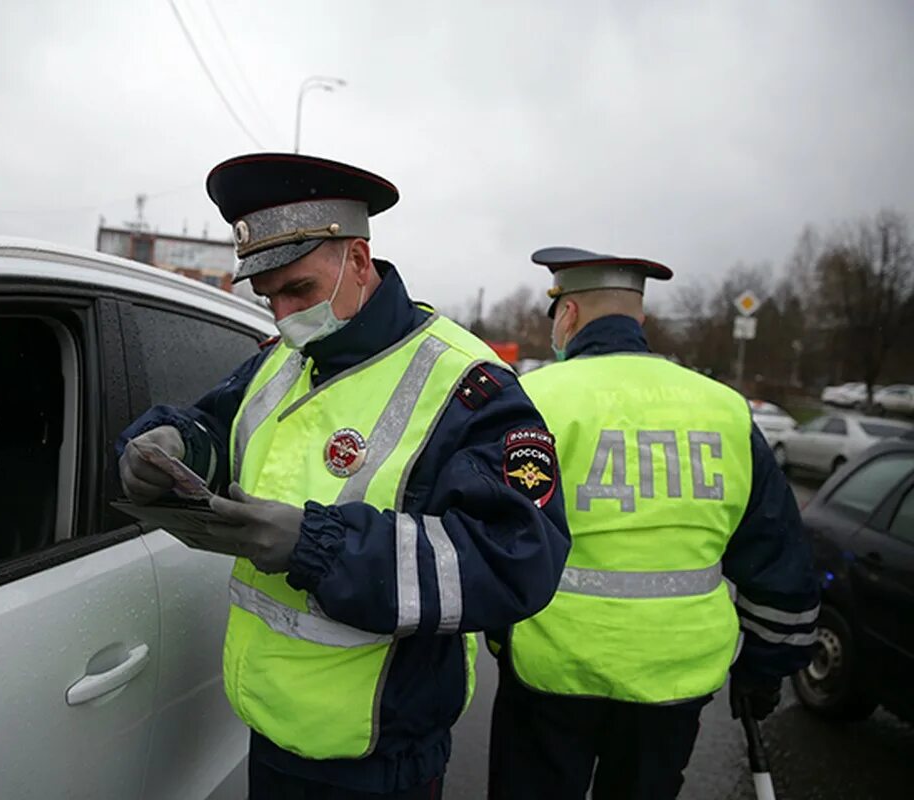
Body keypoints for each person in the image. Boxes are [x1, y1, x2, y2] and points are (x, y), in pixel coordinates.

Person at [117, 153, 571, 799]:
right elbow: (218, 429)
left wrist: (317, 545)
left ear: (358, 260)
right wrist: (173, 445)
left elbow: (516, 559)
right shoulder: (285, 357)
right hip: (271, 726)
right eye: (267, 297)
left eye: (298, 290)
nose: (282, 315)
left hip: (380, 758)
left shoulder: (467, 385)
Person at [487, 247, 820, 800]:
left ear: (566, 315)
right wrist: (767, 667)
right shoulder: (726, 409)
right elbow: (776, 552)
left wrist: (497, 635)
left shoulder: (533, 399)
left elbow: (492, 533)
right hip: (677, 678)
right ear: (637, 318)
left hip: (551, 672)